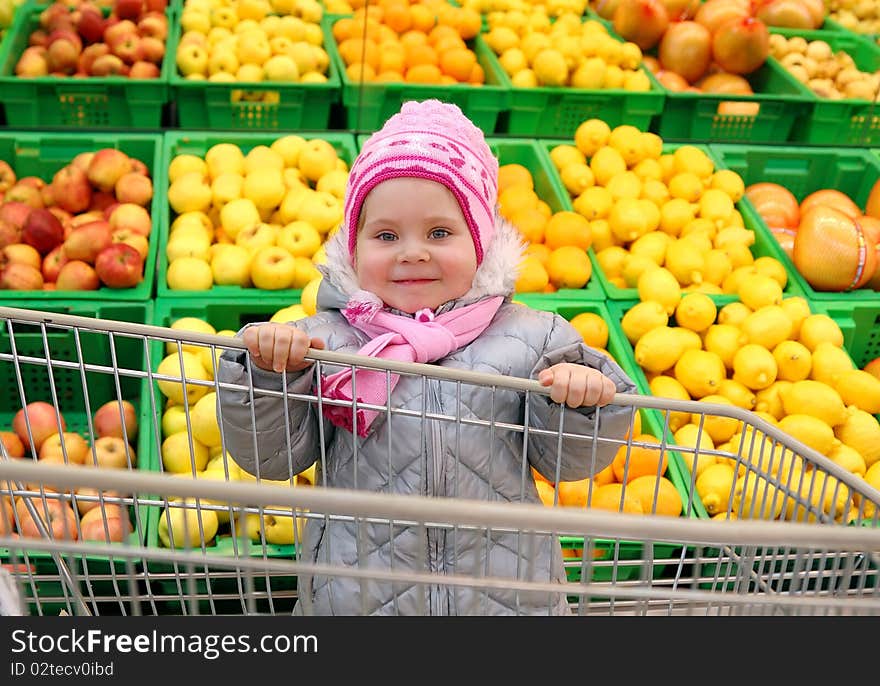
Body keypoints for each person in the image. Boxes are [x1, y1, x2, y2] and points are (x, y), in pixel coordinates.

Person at [216, 99, 637, 616]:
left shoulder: (537, 338)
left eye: (440, 233)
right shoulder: (324, 342)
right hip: (359, 594)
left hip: (505, 594)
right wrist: (266, 376)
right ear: (354, 246)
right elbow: (272, 459)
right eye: (386, 235)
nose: (412, 252)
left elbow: (566, 464)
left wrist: (580, 401)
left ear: (480, 242)